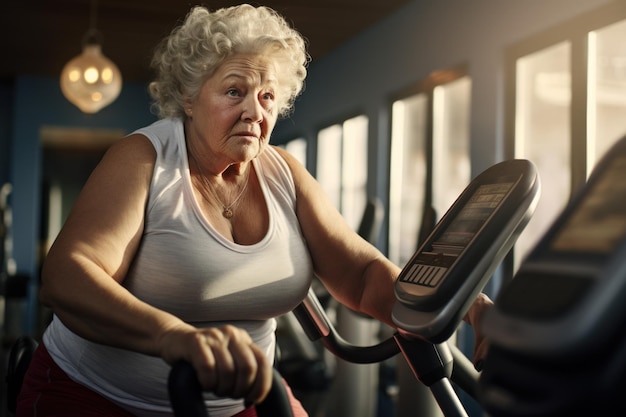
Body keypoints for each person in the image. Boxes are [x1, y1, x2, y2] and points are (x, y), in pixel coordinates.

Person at [17, 4, 492, 417]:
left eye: (267, 96)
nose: (254, 111)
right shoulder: (145, 159)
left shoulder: (284, 172)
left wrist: (460, 305)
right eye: (233, 91)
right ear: (188, 97)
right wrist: (173, 337)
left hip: (242, 400)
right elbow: (68, 275)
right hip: (98, 396)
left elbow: (362, 275)